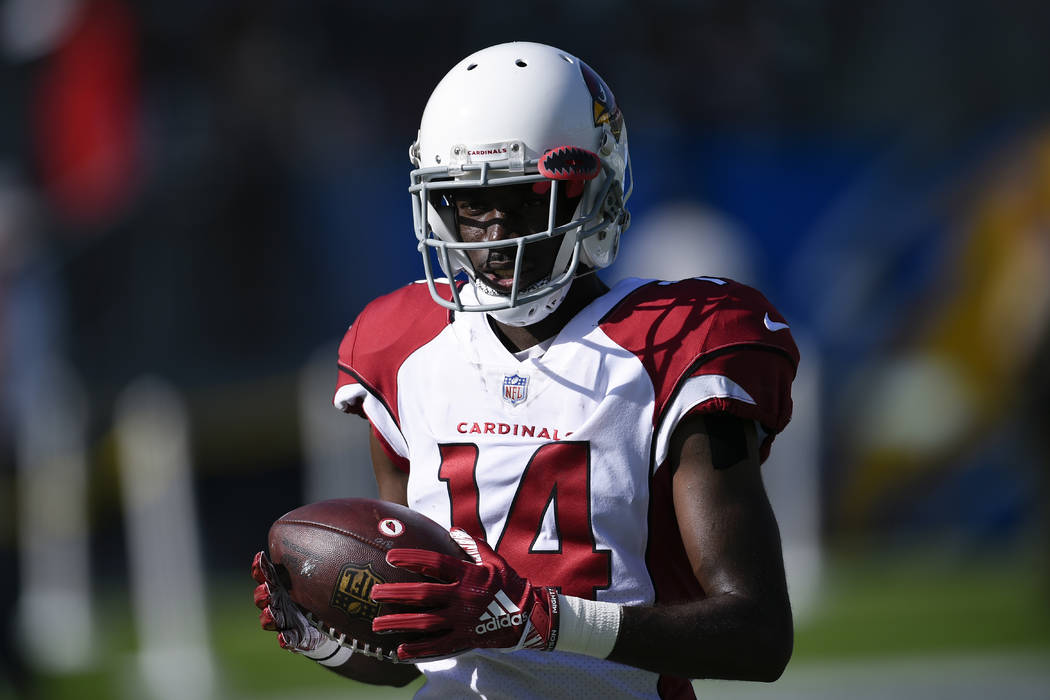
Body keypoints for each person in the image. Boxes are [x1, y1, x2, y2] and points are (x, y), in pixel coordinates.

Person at [252, 41, 799, 699]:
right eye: (465, 202)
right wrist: (328, 635)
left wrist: (543, 620)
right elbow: (410, 652)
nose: (491, 232)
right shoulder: (401, 348)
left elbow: (758, 636)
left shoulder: (673, 343)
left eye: (521, 197)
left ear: (591, 189)